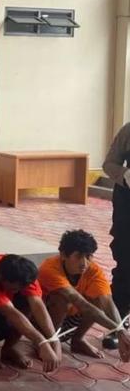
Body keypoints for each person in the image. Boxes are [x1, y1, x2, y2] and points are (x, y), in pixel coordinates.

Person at [38, 230, 130, 361]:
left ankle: (78, 340)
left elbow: (107, 302)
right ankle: (49, 341)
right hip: (43, 323)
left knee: (98, 299)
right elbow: (81, 303)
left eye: (88, 256)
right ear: (63, 255)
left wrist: (120, 330)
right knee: (61, 299)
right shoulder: (50, 268)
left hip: (70, 321)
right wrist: (119, 331)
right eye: (79, 256)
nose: (84, 263)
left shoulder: (93, 270)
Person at [0, 254, 61, 372]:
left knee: (27, 302)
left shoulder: (24, 272)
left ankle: (9, 348)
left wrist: (54, 339)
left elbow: (37, 305)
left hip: (6, 308)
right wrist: (42, 342)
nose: (16, 291)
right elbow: (10, 312)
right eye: (14, 288)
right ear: (1, 277)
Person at [102, 122, 130, 319]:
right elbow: (109, 164)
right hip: (127, 203)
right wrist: (125, 175)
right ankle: (118, 321)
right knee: (125, 261)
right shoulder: (128, 130)